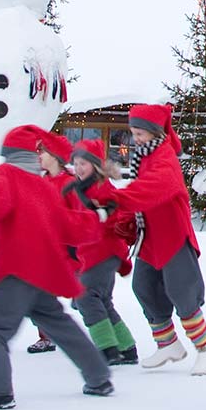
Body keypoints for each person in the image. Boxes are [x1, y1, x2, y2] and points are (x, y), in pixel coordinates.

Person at [0, 125, 114, 410]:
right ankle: (99, 376)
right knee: (58, 323)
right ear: (33, 155)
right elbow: (68, 225)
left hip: (14, 271)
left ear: (8, 151)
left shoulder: (6, 176)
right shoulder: (43, 187)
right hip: (42, 272)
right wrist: (97, 217)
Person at [89, 104, 206, 375]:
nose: (135, 138)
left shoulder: (164, 157)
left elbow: (154, 189)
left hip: (172, 235)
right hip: (150, 236)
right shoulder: (144, 155)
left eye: (139, 133)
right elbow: (141, 197)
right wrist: (124, 218)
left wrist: (119, 197)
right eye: (133, 132)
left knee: (182, 291)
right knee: (144, 287)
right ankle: (168, 344)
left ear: (154, 131)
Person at [66, 139, 139, 366]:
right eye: (76, 163)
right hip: (92, 252)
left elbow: (116, 215)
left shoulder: (102, 188)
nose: (79, 168)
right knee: (102, 300)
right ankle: (127, 349)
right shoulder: (81, 187)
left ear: (95, 166)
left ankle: (108, 349)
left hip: (104, 252)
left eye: (84, 164)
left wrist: (102, 214)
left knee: (86, 297)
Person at [24, 131, 78, 355]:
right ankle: (46, 336)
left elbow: (78, 216)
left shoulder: (70, 183)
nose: (38, 155)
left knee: (89, 300)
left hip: (69, 250)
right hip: (45, 249)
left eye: (42, 151)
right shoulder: (42, 181)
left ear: (55, 155)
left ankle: (110, 342)